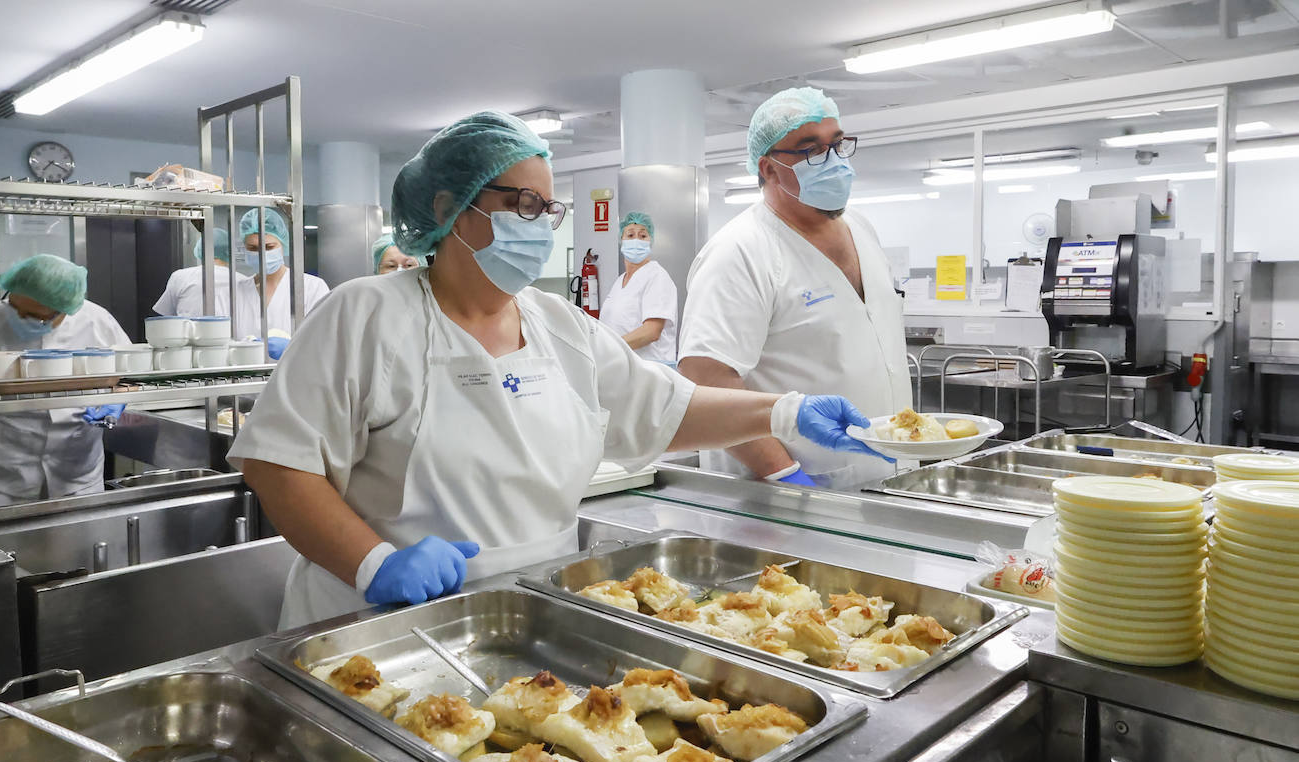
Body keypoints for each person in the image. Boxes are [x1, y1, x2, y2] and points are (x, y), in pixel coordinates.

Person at [228, 110, 881, 630]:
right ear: (449, 207)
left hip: (525, 619)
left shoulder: (561, 328)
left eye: (548, 209)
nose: (540, 226)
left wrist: (783, 410)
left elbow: (666, 409)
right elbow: (278, 463)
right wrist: (374, 563)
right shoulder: (366, 316)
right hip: (374, 627)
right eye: (523, 206)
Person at [678, 86, 909, 491]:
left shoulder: (862, 228)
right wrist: (787, 475)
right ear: (768, 169)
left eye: (838, 144)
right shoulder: (740, 252)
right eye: (812, 150)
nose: (833, 161)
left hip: (885, 480)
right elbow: (706, 379)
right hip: (785, 493)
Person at [0, 255, 131, 510]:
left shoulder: (98, 322)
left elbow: (128, 374)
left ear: (66, 311)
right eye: (14, 307)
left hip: (77, 475)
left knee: (78, 548)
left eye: (34, 317)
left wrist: (116, 401)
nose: (20, 318)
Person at [238, 208, 331, 358]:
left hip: (296, 376)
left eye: (269, 247)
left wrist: (294, 348)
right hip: (244, 378)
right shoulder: (237, 291)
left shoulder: (311, 287)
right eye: (253, 248)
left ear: (283, 244)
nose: (261, 254)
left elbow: (327, 341)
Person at [597, 211, 678, 364]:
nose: (636, 241)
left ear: (650, 241)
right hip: (622, 366)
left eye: (643, 236)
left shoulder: (657, 276)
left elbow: (652, 331)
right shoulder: (620, 281)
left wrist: (609, 348)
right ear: (621, 239)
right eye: (630, 235)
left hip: (650, 370)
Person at [151, 227, 242, 319]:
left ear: (200, 249)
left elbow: (167, 315)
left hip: (188, 333)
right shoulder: (243, 281)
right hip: (230, 333)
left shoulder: (180, 277)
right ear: (230, 252)